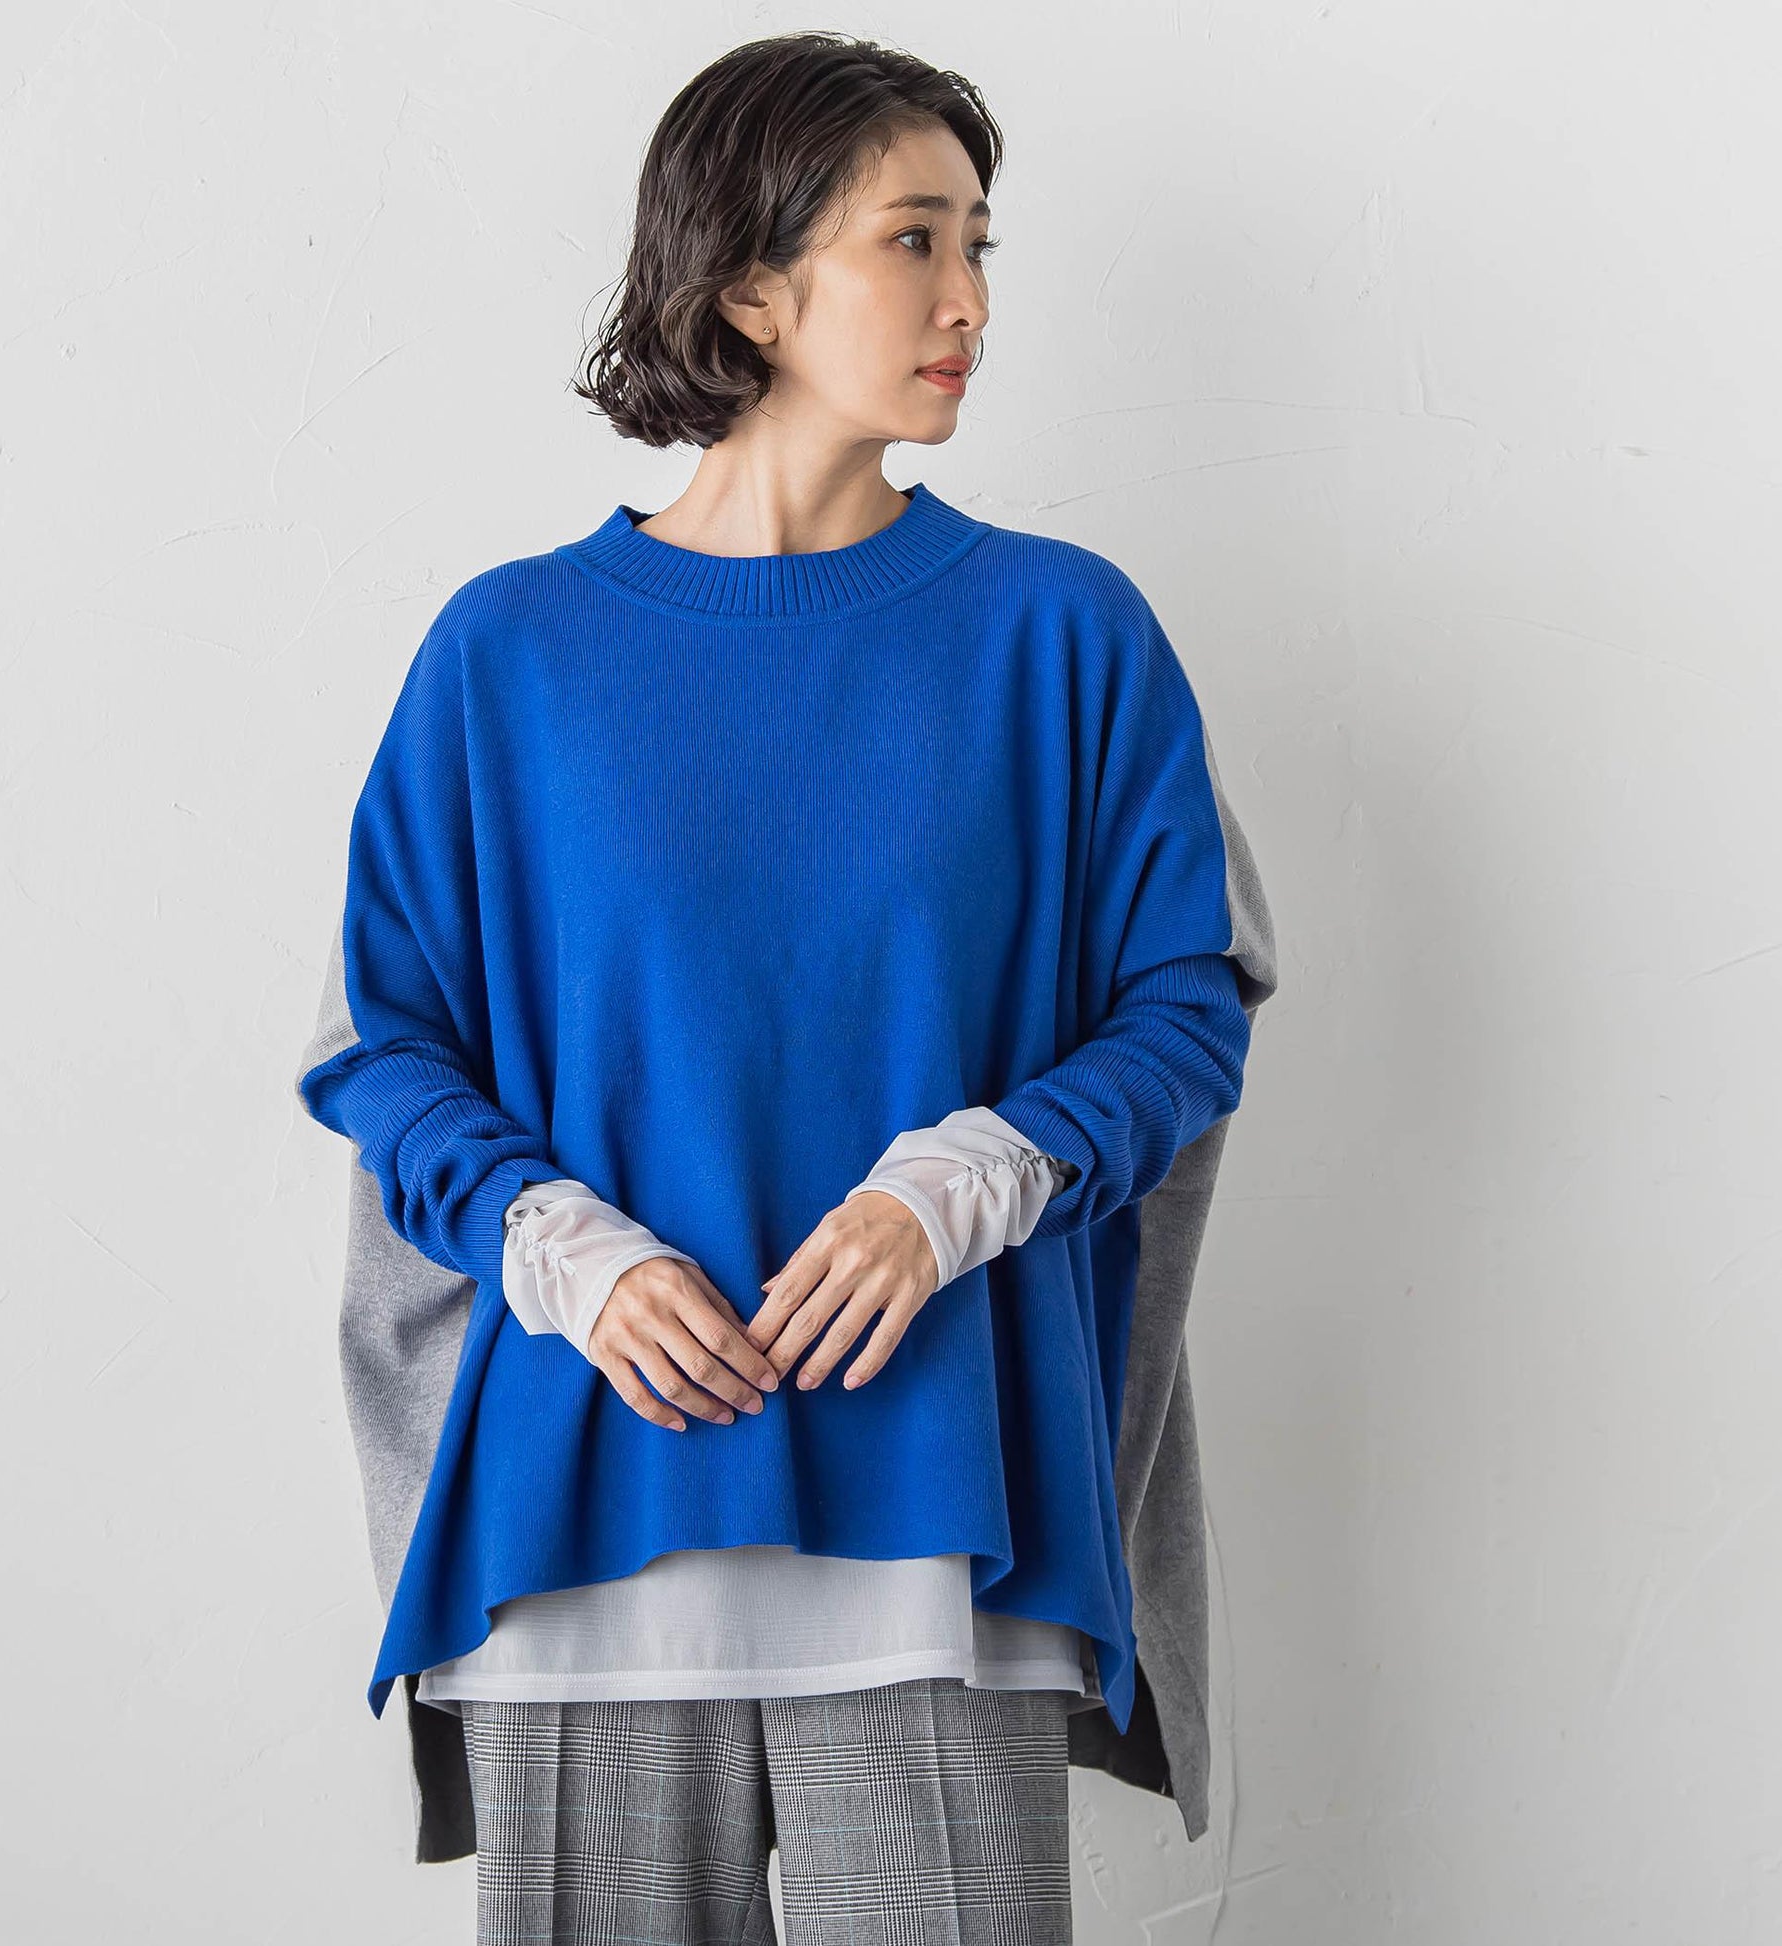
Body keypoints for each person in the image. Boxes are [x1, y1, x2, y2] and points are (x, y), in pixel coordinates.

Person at [295, 31, 1276, 1945]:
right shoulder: (510, 655)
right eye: (914, 240)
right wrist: (562, 1243)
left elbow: (1188, 1003)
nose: (968, 299)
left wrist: (972, 1175)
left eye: (979, 244)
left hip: (940, 1515)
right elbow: (380, 1041)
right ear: (749, 286)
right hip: (580, 1518)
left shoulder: (1060, 636)